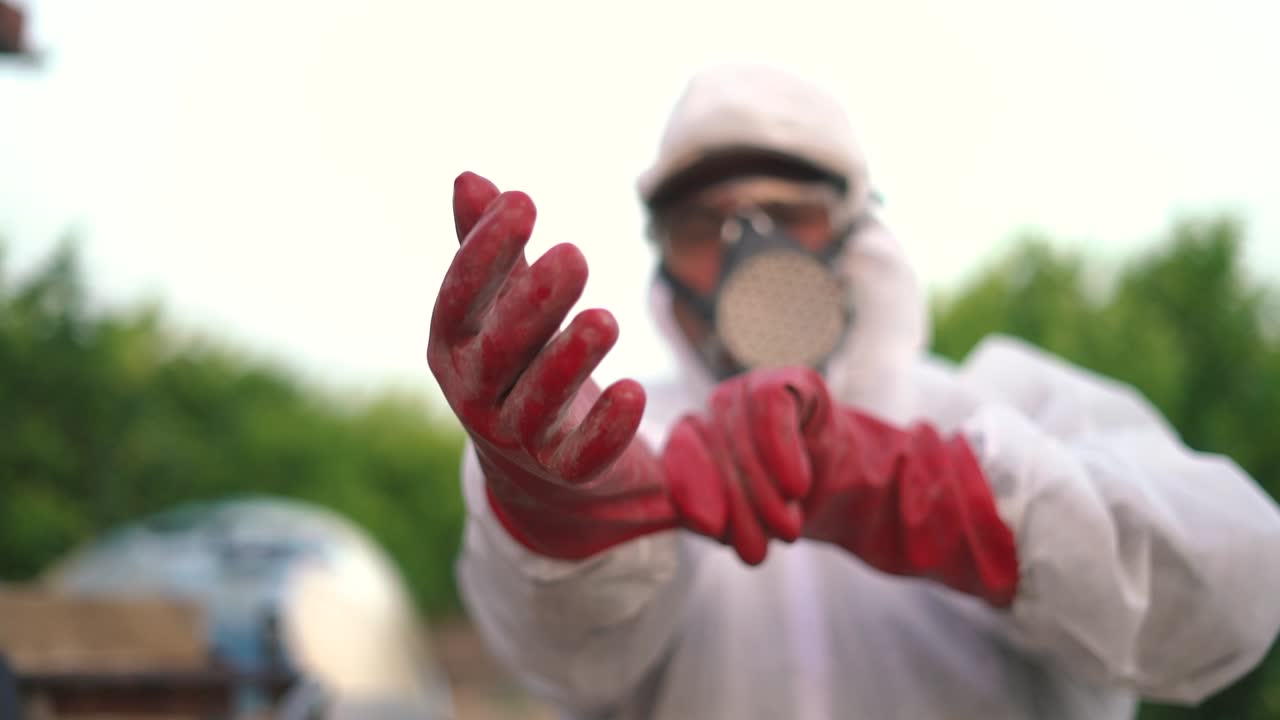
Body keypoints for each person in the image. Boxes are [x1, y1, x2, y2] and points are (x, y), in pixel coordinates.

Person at [428, 62, 1280, 719]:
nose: (746, 247)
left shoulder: (1001, 410)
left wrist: (932, 491)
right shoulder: (613, 439)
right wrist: (557, 524)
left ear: (855, 230)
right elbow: (555, 657)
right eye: (701, 225)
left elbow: (1234, 590)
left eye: (786, 212)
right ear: (663, 257)